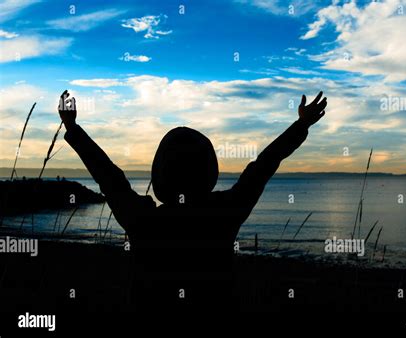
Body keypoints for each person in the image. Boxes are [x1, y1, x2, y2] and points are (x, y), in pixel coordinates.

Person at [58, 89, 327, 307]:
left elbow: (109, 178)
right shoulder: (223, 213)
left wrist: (72, 126)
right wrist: (301, 125)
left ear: (160, 171)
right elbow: (263, 165)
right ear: (209, 169)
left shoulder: (144, 220)